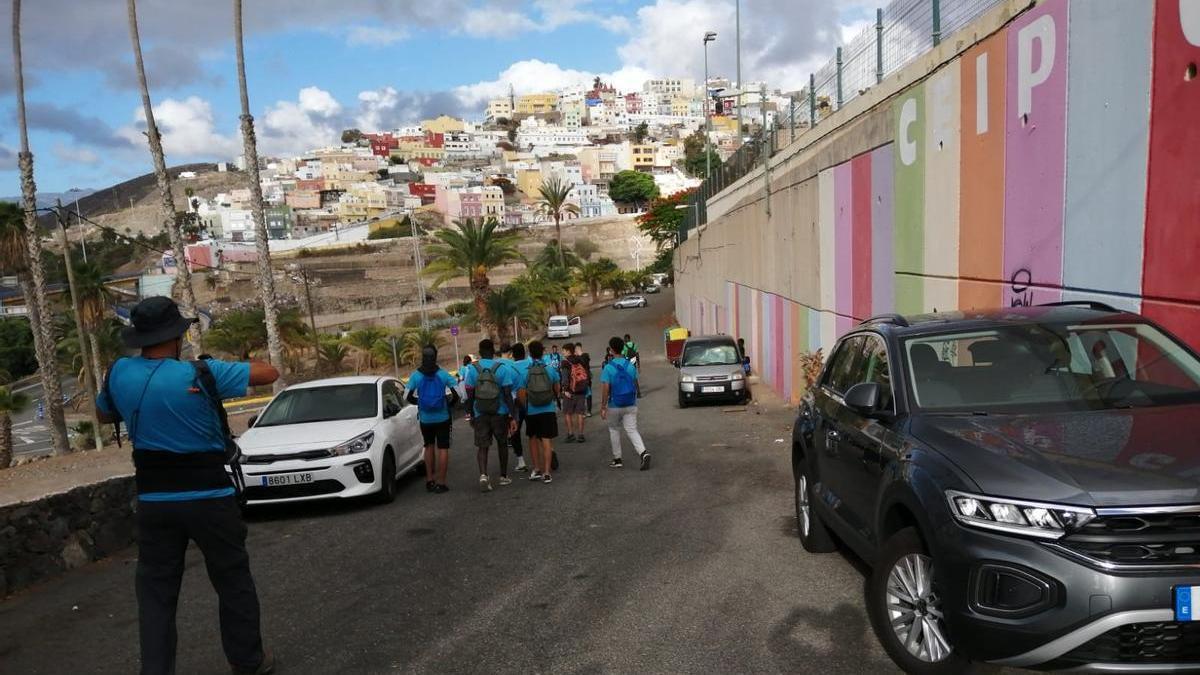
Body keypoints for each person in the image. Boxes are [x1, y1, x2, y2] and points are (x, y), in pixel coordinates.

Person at [94, 296, 278, 675]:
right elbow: (268, 373)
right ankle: (247, 661)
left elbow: (102, 412)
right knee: (232, 580)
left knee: (156, 593)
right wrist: (211, 366)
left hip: (154, 499)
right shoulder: (200, 374)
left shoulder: (119, 373)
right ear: (177, 335)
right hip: (210, 496)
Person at [463, 339, 519, 492]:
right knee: (502, 443)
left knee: (482, 446)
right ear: (493, 352)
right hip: (499, 413)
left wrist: (470, 414)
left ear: (480, 353)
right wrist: (512, 415)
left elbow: (469, 394)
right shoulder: (502, 369)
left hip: (480, 412)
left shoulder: (472, 369)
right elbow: (508, 395)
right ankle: (503, 476)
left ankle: (483, 475)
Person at [404, 345, 459, 494]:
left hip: (425, 419)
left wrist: (420, 403)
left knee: (428, 447)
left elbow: (406, 396)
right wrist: (449, 404)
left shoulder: (416, 376)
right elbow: (458, 393)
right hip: (443, 417)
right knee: (443, 448)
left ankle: (429, 480)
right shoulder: (443, 374)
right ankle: (441, 482)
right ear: (435, 357)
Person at [601, 336, 650, 471]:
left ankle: (617, 459)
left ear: (611, 350)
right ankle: (643, 453)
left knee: (614, 430)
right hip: (630, 403)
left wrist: (603, 406)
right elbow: (634, 383)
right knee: (632, 430)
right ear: (622, 348)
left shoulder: (608, 367)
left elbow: (606, 388)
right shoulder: (630, 366)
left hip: (614, 404)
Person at [518, 340, 561, 483]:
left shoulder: (526, 371)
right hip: (548, 409)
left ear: (530, 353)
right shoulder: (550, 369)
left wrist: (526, 407)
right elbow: (557, 389)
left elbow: (522, 393)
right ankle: (547, 472)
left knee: (533, 439)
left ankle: (536, 469)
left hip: (532, 410)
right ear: (543, 352)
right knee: (546, 440)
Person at [507, 342, 531, 472]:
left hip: (516, 405)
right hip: (531, 403)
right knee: (535, 431)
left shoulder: (509, 368)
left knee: (515, 432)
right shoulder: (531, 364)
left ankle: (521, 461)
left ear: (513, 355)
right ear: (524, 353)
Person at [560, 343, 589, 442]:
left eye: (563, 350)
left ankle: (571, 434)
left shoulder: (565, 362)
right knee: (580, 413)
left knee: (568, 413)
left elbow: (564, 378)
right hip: (581, 390)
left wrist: (564, 390)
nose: (562, 352)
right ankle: (581, 435)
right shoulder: (580, 359)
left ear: (568, 351)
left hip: (570, 392)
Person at [620, 334, 643, 398]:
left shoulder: (624, 346)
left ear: (626, 339)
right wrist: (638, 366)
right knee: (634, 378)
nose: (624, 340)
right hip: (633, 362)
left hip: (627, 363)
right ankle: (638, 393)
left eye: (624, 339)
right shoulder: (634, 345)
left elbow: (622, 356)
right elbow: (637, 355)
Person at [575, 341, 594, 417]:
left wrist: (578, 356)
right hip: (579, 379)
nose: (575, 351)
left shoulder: (585, 355)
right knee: (581, 395)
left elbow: (584, 363)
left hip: (586, 379)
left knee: (588, 394)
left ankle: (589, 411)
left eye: (575, 349)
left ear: (578, 348)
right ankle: (582, 411)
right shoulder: (577, 357)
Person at [458, 355, 474, 422]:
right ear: (470, 361)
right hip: (472, 385)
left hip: (465, 386)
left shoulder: (463, 368)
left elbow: (461, 378)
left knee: (465, 400)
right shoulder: (472, 367)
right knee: (472, 400)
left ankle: (468, 414)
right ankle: (473, 414)